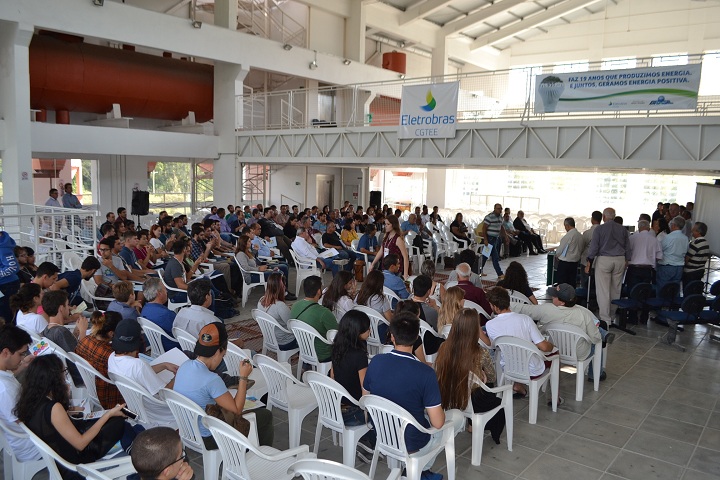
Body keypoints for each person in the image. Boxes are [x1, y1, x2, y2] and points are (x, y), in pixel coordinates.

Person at [363, 311, 463, 480]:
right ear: (417, 337)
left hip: (381, 432)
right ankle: (419, 468)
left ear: (392, 337)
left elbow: (365, 398)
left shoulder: (376, 361)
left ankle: (415, 470)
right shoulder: (425, 373)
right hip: (413, 442)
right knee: (456, 417)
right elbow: (438, 423)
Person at [16, 354, 138, 472]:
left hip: (63, 455)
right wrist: (108, 415)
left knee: (116, 422)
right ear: (54, 379)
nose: (65, 377)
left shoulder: (31, 401)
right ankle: (138, 453)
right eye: (63, 373)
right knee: (119, 423)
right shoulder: (53, 408)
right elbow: (81, 443)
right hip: (77, 459)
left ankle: (136, 443)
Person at [173, 322, 274, 447]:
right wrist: (243, 377)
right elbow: (237, 410)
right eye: (223, 355)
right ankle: (258, 453)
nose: (222, 358)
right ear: (217, 352)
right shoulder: (212, 379)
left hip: (189, 431)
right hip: (209, 437)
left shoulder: (185, 365)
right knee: (265, 415)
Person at [512, 284, 610, 381]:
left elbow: (524, 309)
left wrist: (504, 304)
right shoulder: (584, 313)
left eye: (555, 296)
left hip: (554, 349)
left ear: (562, 302)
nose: (552, 297)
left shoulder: (545, 310)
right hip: (578, 353)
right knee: (597, 342)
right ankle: (596, 375)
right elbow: (595, 337)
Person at [435, 308, 505, 443]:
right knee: (491, 393)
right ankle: (476, 424)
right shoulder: (480, 352)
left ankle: (471, 423)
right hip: (471, 401)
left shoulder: (443, 346)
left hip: (449, 395)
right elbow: (492, 377)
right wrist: (481, 377)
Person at [481, 287, 556, 400]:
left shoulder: (490, 324)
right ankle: (555, 398)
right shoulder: (525, 319)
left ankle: (517, 385)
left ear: (495, 307)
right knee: (554, 356)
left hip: (508, 366)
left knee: (513, 354)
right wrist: (553, 346)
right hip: (531, 368)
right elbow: (544, 347)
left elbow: (493, 345)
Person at [107, 319, 178, 427]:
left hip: (140, 408)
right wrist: (177, 378)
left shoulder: (112, 358)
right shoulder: (138, 365)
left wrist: (164, 365)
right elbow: (164, 395)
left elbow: (140, 373)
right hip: (162, 412)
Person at [330, 310, 376, 457]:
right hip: (354, 413)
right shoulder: (359, 355)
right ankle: (369, 444)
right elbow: (365, 393)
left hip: (337, 407)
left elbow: (332, 376)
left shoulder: (337, 346)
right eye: (367, 329)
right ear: (357, 332)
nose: (370, 331)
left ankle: (363, 439)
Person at [585, 208, 630, 327]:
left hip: (604, 259)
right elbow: (628, 246)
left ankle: (605, 319)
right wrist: (627, 259)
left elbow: (594, 247)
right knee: (616, 288)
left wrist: (589, 260)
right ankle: (612, 315)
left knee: (603, 290)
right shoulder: (623, 229)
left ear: (604, 217)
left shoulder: (600, 229)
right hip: (620, 259)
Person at [0, 324, 39, 462]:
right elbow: (25, 421)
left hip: (19, 441)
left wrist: (22, 365)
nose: (23, 357)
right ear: (6, 352)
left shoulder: (4, 377)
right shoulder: (6, 389)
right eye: (21, 354)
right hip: (32, 447)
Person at [75, 311, 125, 409]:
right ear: (111, 333)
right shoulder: (110, 355)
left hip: (92, 389)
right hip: (110, 397)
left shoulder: (84, 340)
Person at [41, 290, 87, 386]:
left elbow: (67, 348)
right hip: (79, 376)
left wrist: (75, 333)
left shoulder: (46, 330)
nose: (69, 308)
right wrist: (83, 331)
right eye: (67, 305)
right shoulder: (60, 332)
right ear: (61, 308)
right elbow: (80, 355)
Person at [289, 275, 338, 363]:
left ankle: (305, 366)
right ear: (319, 291)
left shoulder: (295, 306)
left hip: (303, 350)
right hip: (323, 354)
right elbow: (338, 335)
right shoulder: (324, 312)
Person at [235, 234, 294, 299]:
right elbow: (245, 268)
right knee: (276, 274)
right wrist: (259, 269)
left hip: (255, 272)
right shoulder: (241, 254)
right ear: (244, 243)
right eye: (249, 241)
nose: (251, 242)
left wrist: (255, 251)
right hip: (251, 276)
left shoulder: (247, 252)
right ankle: (283, 294)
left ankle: (284, 291)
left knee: (277, 270)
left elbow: (252, 262)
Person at [256, 273, 298, 351]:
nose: (285, 288)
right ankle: (305, 362)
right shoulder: (280, 306)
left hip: (270, 339)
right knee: (306, 337)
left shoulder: (261, 301)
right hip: (284, 342)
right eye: (284, 286)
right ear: (280, 288)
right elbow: (292, 325)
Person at [141, 277, 181, 352]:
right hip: (173, 349)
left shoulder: (145, 309)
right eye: (164, 289)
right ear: (159, 293)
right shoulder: (166, 314)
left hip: (156, 347)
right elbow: (181, 332)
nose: (166, 291)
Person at [625, 219, 662, 299]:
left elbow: (626, 253)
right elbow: (659, 257)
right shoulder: (654, 239)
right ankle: (643, 310)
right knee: (644, 291)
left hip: (633, 268)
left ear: (638, 227)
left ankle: (632, 310)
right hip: (647, 269)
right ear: (648, 228)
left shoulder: (632, 238)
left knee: (632, 291)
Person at [656, 216, 688, 297]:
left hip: (667, 266)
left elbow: (660, 249)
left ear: (673, 225)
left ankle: (661, 307)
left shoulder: (668, 237)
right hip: (679, 266)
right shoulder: (685, 238)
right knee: (675, 289)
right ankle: (673, 307)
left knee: (662, 288)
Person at [370, 215, 409, 279]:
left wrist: (405, 274)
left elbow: (405, 256)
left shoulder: (398, 239)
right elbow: (381, 251)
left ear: (393, 225)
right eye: (385, 224)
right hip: (385, 266)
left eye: (388, 224)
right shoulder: (386, 236)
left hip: (395, 268)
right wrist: (373, 264)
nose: (386, 226)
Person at [548, 217, 582, 286]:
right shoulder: (580, 236)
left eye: (565, 226)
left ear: (567, 226)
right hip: (575, 262)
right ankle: (572, 296)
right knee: (572, 282)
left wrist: (557, 255)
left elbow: (560, 250)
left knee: (563, 283)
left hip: (565, 263)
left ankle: (563, 296)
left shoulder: (568, 236)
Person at [0, 230, 21, 323]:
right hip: (5, 285)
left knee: (6, 316)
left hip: (7, 286)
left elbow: (13, 267)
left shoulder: (3, 248)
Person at [683, 221, 710, 291]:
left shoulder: (695, 243)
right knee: (696, 289)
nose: (691, 230)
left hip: (691, 272)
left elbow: (687, 258)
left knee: (688, 290)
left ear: (698, 232)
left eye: (694, 229)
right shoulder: (706, 243)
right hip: (700, 270)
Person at [481, 204, 505, 278]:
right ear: (494, 209)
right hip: (490, 239)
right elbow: (484, 228)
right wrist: (485, 239)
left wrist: (506, 236)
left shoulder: (501, 217)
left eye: (501, 209)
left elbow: (501, 227)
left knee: (485, 256)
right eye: (498, 209)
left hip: (496, 238)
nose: (500, 210)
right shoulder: (489, 217)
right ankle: (500, 273)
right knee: (495, 256)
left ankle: (477, 270)